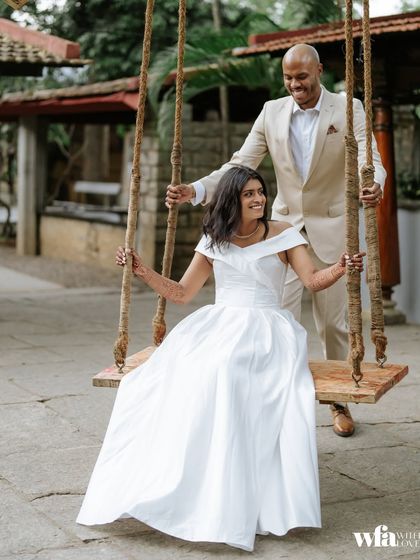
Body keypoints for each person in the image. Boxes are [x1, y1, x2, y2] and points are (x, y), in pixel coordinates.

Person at [77, 166, 364, 552]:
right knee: (171, 375)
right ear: (232, 199)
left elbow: (312, 280)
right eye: (249, 194)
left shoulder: (283, 234)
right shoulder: (215, 241)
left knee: (226, 371)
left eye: (261, 192)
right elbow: (180, 293)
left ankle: (233, 486)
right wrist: (141, 268)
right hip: (218, 322)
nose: (259, 199)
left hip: (267, 329)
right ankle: (190, 478)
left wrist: (341, 269)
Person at [165, 43, 386, 438]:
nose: (295, 85)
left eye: (302, 76)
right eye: (288, 78)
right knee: (276, 318)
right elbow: (240, 164)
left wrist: (374, 184)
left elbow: (368, 158)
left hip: (333, 229)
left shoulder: (347, 107)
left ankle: (338, 401)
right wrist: (195, 189)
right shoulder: (271, 112)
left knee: (333, 324)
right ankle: (275, 396)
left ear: (318, 70)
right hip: (282, 231)